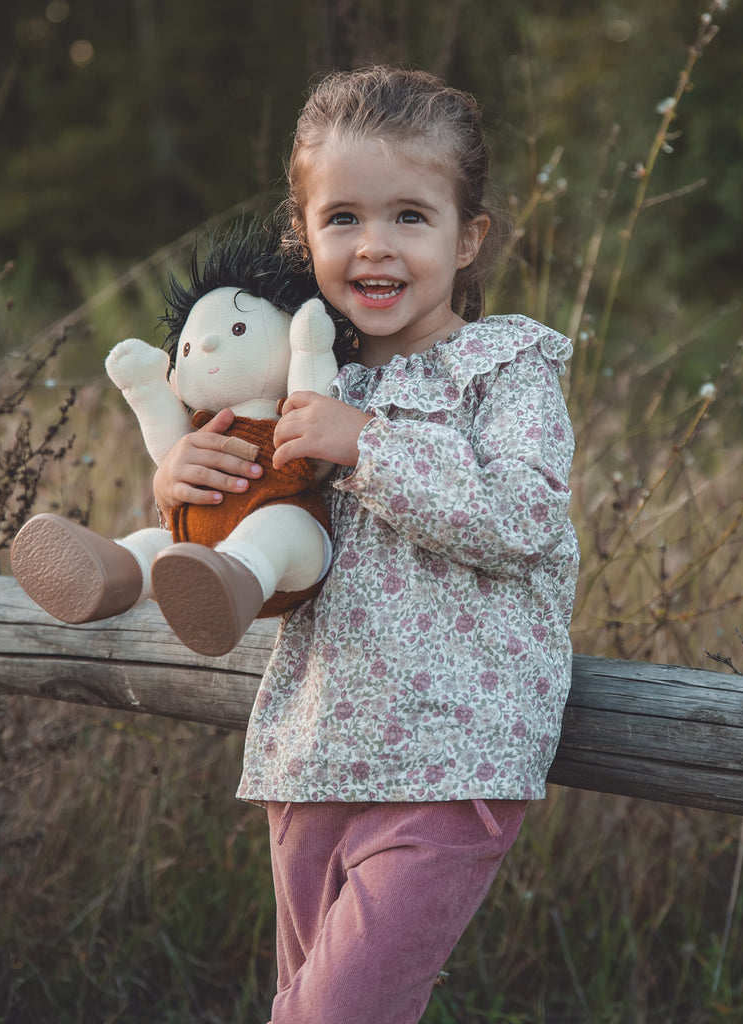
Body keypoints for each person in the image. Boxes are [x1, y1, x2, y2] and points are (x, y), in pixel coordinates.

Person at [153, 65, 579, 1024]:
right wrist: (180, 484)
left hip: (453, 758)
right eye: (341, 217)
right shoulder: (291, 380)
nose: (373, 247)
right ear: (300, 234)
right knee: (302, 1004)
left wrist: (366, 447)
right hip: (308, 753)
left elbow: (524, 518)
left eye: (409, 218)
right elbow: (248, 522)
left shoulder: (502, 369)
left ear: (468, 237)